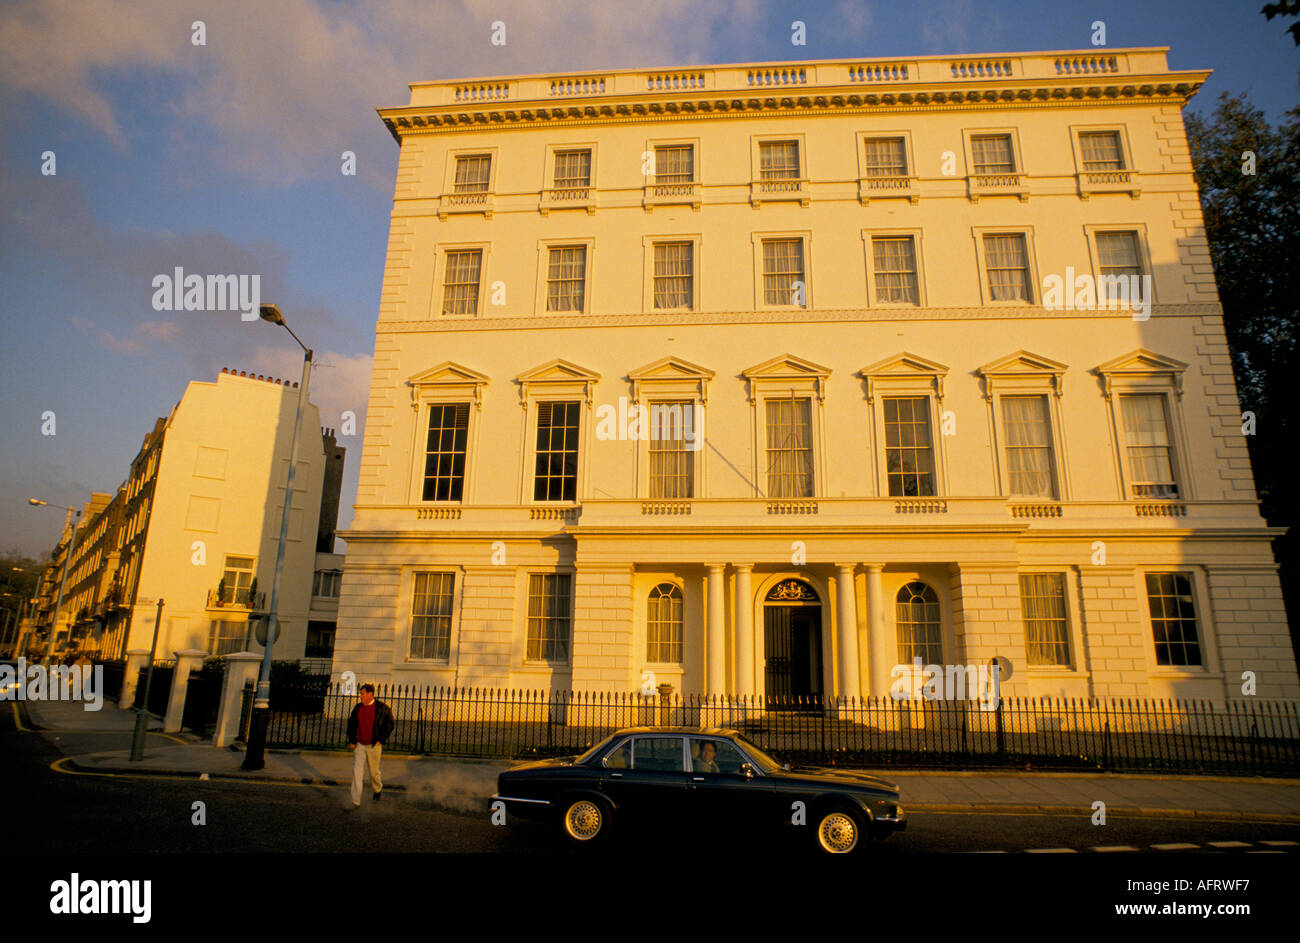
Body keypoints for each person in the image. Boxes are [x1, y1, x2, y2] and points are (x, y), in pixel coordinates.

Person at [346, 684, 395, 807]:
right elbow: (351, 724)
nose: (360, 696)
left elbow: (390, 723)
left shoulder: (381, 708)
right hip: (360, 745)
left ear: (370, 694)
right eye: (360, 693)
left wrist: (381, 739)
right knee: (357, 772)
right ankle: (355, 800)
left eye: (362, 693)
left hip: (374, 745)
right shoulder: (357, 708)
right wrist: (352, 741)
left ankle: (378, 789)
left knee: (373, 773)